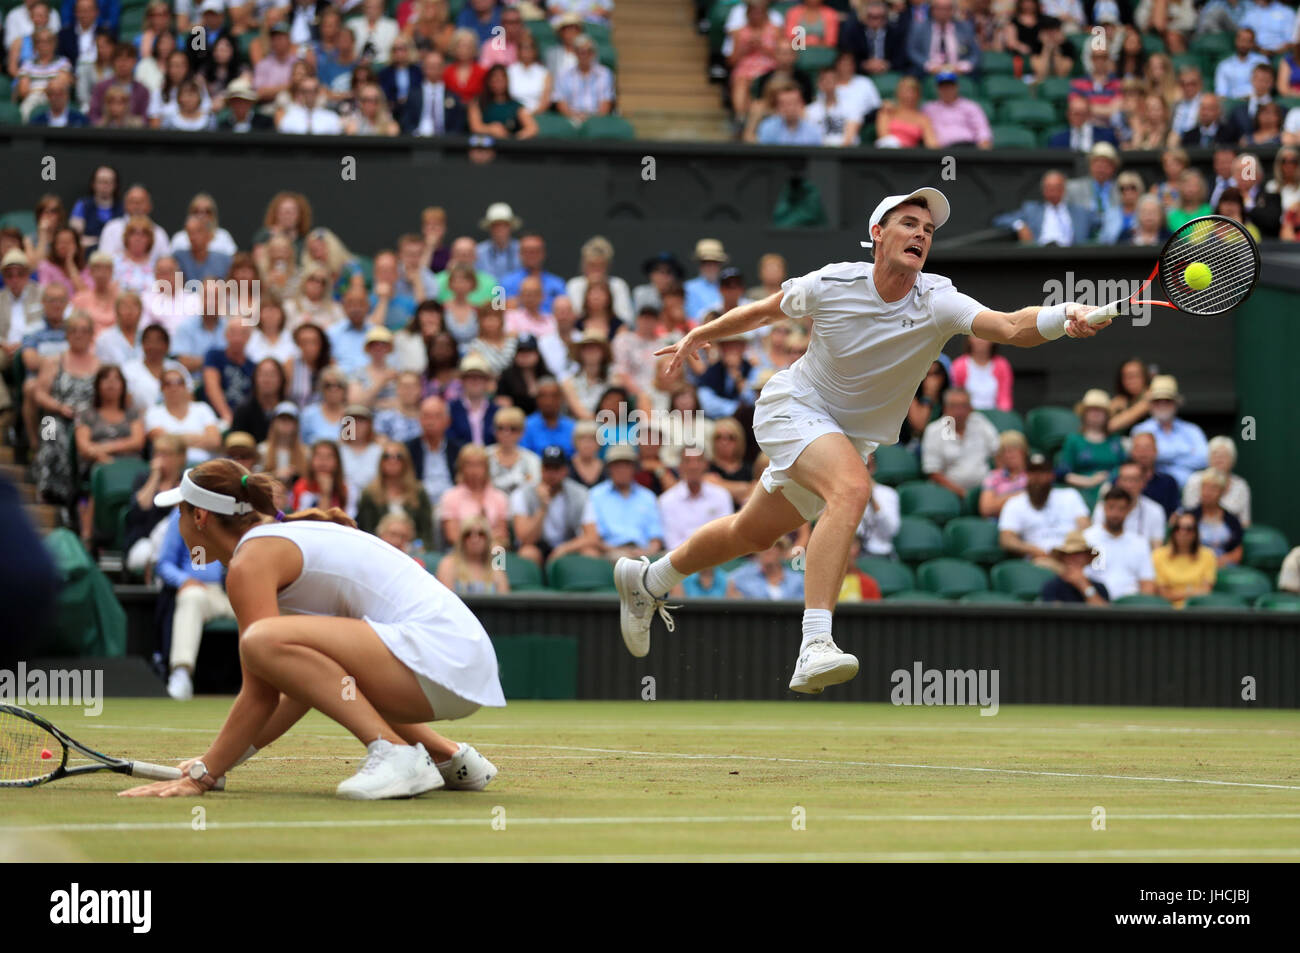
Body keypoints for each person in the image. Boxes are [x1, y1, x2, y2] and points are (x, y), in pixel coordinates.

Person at [617, 186, 1109, 693]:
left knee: (752, 533)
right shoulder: (832, 283)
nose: (921, 233)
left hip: (847, 438)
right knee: (851, 489)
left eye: (928, 230)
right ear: (877, 233)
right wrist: (703, 334)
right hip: (795, 407)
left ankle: (648, 581)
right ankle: (814, 644)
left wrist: (1061, 318)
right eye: (909, 223)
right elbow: (766, 311)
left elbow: (1008, 326)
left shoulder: (939, 299)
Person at [121, 459, 504, 799]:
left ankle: (393, 751)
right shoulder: (276, 542)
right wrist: (214, 763)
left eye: (181, 513)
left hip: (439, 661)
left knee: (260, 640)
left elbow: (260, 695)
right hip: (459, 669)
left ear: (201, 517)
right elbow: (302, 689)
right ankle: (446, 755)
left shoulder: (251, 561)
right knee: (280, 649)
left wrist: (206, 772)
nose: (179, 524)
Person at [510, 444, 600, 566]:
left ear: (565, 470)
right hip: (538, 546)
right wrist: (543, 508)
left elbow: (592, 537)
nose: (551, 473)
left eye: (556, 468)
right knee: (528, 553)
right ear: (541, 469)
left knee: (591, 553)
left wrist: (564, 548)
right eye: (548, 468)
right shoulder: (523, 493)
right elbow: (524, 539)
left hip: (567, 546)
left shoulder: (580, 493)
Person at [998, 452, 1090, 561]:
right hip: (1040, 559)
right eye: (1033, 472)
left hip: (1073, 555)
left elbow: (1086, 526)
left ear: (1051, 475)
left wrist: (1072, 546)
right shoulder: (1015, 503)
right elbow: (1006, 539)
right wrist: (1033, 550)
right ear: (1026, 475)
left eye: (1042, 472)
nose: (1037, 477)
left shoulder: (1069, 495)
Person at [355, 439, 437, 552]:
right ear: (381, 462)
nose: (392, 460)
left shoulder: (418, 492)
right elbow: (365, 530)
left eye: (398, 456)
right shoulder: (369, 494)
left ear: (406, 462)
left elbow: (426, 532)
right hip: (378, 548)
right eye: (387, 456)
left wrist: (421, 549)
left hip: (412, 550)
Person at [920, 387, 999, 498]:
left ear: (971, 408)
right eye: (954, 406)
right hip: (948, 494)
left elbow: (998, 451)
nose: (960, 411)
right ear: (945, 408)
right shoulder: (934, 430)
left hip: (984, 492)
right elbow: (932, 471)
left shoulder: (980, 422)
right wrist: (963, 494)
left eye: (964, 406)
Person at [1131, 374, 1208, 487]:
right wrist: (1185, 452)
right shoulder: (1140, 429)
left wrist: (1161, 457)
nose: (1162, 405)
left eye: (1167, 400)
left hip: (1186, 492)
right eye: (1157, 401)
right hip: (1150, 488)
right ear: (1151, 404)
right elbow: (1141, 458)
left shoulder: (1192, 430)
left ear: (1176, 403)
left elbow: (1204, 459)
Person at [1083, 487, 1157, 600]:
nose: (1115, 514)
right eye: (1111, 507)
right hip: (1095, 605)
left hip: (1129, 608)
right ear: (1103, 508)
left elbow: (1147, 583)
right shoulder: (1086, 538)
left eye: (1121, 509)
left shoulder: (1140, 543)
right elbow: (1079, 576)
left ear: (1129, 510)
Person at [1060, 388, 1125, 500]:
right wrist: (1089, 481)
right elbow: (1062, 473)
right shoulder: (1073, 440)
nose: (1095, 414)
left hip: (1113, 493)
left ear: (1106, 415)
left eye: (1100, 410)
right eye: (1091, 410)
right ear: (1084, 414)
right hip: (1082, 492)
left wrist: (1110, 482)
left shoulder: (1115, 440)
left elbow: (1124, 468)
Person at [1181, 436, 1251, 525]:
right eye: (1215, 454)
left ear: (1233, 459)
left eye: (1224, 455)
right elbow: (1188, 514)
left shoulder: (1241, 486)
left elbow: (1245, 522)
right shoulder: (1194, 479)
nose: (1219, 459)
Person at [1153, 511, 1217, 607]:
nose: (1182, 533)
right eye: (1178, 528)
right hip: (1167, 612)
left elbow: (1206, 591)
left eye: (1189, 529)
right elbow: (1163, 594)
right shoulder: (1158, 555)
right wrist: (1191, 591)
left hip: (1198, 610)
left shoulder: (1208, 555)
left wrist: (1175, 593)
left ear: (1196, 533)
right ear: (1173, 532)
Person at [1181, 469, 1244, 566]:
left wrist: (1221, 561)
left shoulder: (1232, 519)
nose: (1207, 492)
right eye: (1204, 487)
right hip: (1193, 565)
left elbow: (1237, 552)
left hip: (1223, 567)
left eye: (1213, 488)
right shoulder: (1188, 516)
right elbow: (1179, 547)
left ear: (1222, 492)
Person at [436, 515, 509, 595]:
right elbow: (446, 601)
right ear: (462, 539)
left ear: (488, 539)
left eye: (481, 534)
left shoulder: (496, 568)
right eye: (468, 534)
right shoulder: (448, 564)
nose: (474, 539)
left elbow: (505, 601)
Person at [1039, 531, 1109, 604]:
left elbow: (1104, 613)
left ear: (1087, 557)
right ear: (1063, 557)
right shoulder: (1052, 587)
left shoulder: (1099, 587)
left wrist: (1084, 586)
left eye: (1078, 553)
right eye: (1069, 553)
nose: (1073, 558)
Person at [485, 405, 539, 498]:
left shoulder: (532, 459)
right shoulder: (484, 456)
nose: (506, 433)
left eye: (513, 429)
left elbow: (535, 490)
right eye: (501, 428)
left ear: (522, 432)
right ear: (494, 430)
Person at [948, 335, 1012, 411]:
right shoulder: (958, 366)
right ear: (969, 339)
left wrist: (1002, 416)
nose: (981, 340)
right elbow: (956, 397)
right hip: (967, 416)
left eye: (985, 335)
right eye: (976, 335)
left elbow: (1005, 399)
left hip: (995, 417)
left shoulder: (1002, 365)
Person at [727, 538, 804, 600]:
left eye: (774, 546)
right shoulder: (740, 577)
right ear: (756, 551)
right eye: (763, 546)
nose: (768, 550)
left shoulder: (797, 580)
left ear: (782, 551)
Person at [978, 429, 1029, 518]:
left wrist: (1000, 501)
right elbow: (986, 508)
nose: (1009, 455)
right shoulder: (993, 476)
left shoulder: (1033, 474)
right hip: (1001, 521)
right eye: (1005, 451)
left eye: (1014, 450)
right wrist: (1021, 496)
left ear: (1023, 452)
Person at [292, 439, 348, 512]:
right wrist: (325, 494)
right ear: (311, 460)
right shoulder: (301, 486)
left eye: (329, 456)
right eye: (318, 456)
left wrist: (326, 493)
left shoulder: (345, 489)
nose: (323, 461)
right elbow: (302, 520)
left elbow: (347, 520)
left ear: (337, 462)